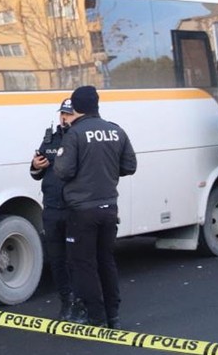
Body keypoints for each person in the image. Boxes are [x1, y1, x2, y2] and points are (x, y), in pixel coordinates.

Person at [53, 85, 137, 329]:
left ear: (76, 107)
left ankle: (96, 318)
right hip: (109, 207)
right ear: (96, 105)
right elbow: (129, 166)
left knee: (84, 265)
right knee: (106, 261)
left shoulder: (75, 134)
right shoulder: (115, 130)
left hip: (82, 211)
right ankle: (113, 316)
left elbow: (63, 170)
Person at [30, 98, 75, 319]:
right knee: (56, 260)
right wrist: (35, 166)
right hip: (52, 208)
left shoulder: (79, 138)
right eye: (62, 114)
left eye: (68, 114)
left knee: (76, 259)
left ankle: (81, 302)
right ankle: (66, 302)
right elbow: (36, 172)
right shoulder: (51, 137)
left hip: (74, 209)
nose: (64, 118)